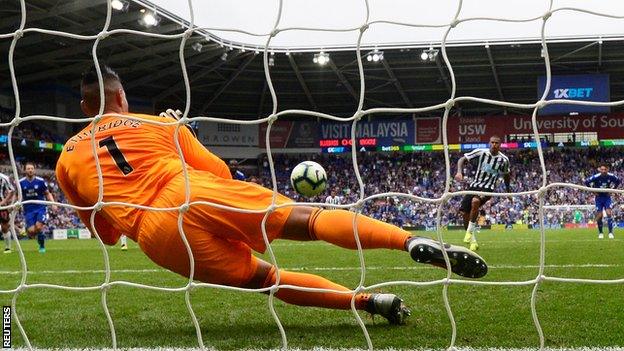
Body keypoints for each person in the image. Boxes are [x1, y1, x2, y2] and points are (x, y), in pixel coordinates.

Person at [55, 64, 488, 326]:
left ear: (83, 108)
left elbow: (106, 234)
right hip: (190, 190)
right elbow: (219, 171)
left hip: (155, 235)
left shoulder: (67, 160)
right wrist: (180, 132)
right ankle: (408, 241)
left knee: (268, 280)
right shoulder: (158, 124)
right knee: (310, 220)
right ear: (122, 98)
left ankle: (371, 302)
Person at [455, 136, 511, 251]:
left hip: (488, 188)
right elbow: (462, 159)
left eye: (497, 143)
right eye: (492, 142)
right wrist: (460, 172)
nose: (494, 145)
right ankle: (473, 242)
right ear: (489, 143)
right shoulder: (481, 152)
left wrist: (508, 191)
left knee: (475, 201)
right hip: (474, 186)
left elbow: (506, 175)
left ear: (500, 145)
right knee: (465, 213)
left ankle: (469, 232)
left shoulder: (504, 160)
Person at [19, 162, 56, 253]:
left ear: (34, 170)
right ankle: (40, 237)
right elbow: (17, 195)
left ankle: (42, 246)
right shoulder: (21, 182)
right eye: (28, 169)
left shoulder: (40, 181)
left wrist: (53, 203)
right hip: (28, 209)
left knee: (39, 227)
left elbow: (47, 193)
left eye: (32, 168)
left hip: (40, 207)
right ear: (25, 170)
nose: (30, 170)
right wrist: (16, 204)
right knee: (31, 231)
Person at [584, 163, 620, 239]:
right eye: (602, 169)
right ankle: (601, 233)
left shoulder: (611, 176)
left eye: (605, 169)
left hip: (607, 197)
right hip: (599, 198)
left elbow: (618, 181)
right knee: (599, 215)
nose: (603, 171)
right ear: (600, 169)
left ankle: (610, 233)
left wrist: (613, 189)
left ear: (607, 169)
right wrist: (593, 192)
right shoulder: (596, 176)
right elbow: (586, 182)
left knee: (609, 213)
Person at [0, 172, 16, 253]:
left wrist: (4, 201)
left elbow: (12, 191)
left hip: (1, 205)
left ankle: (8, 247)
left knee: (4, 226)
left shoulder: (3, 177)